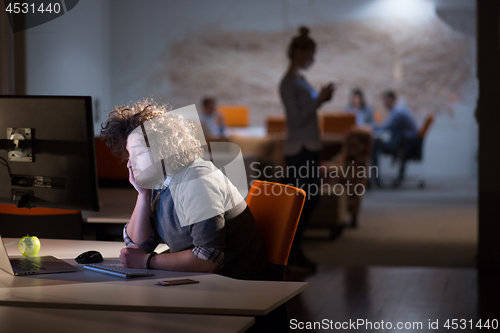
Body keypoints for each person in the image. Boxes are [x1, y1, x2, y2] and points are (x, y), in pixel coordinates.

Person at [100, 100, 267, 280]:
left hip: (235, 288)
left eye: (138, 153)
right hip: (204, 282)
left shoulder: (196, 180)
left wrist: (147, 261)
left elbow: (208, 259)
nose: (129, 163)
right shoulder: (161, 181)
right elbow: (138, 245)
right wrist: (143, 195)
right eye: (129, 154)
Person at [279, 26, 334, 271]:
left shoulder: (299, 80)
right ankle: (291, 251)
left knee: (310, 199)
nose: (312, 59)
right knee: (305, 200)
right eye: (310, 54)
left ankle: (293, 250)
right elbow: (296, 119)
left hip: (307, 147)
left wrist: (320, 100)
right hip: (299, 149)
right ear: (299, 52)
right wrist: (320, 100)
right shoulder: (288, 83)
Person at [371, 91, 418, 187]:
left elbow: (384, 128)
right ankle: (374, 179)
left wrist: (368, 128)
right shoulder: (398, 111)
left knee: (374, 145)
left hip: (402, 147)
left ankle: (376, 181)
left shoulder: (398, 113)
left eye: (386, 100)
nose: (384, 103)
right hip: (404, 145)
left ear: (391, 100)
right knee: (376, 143)